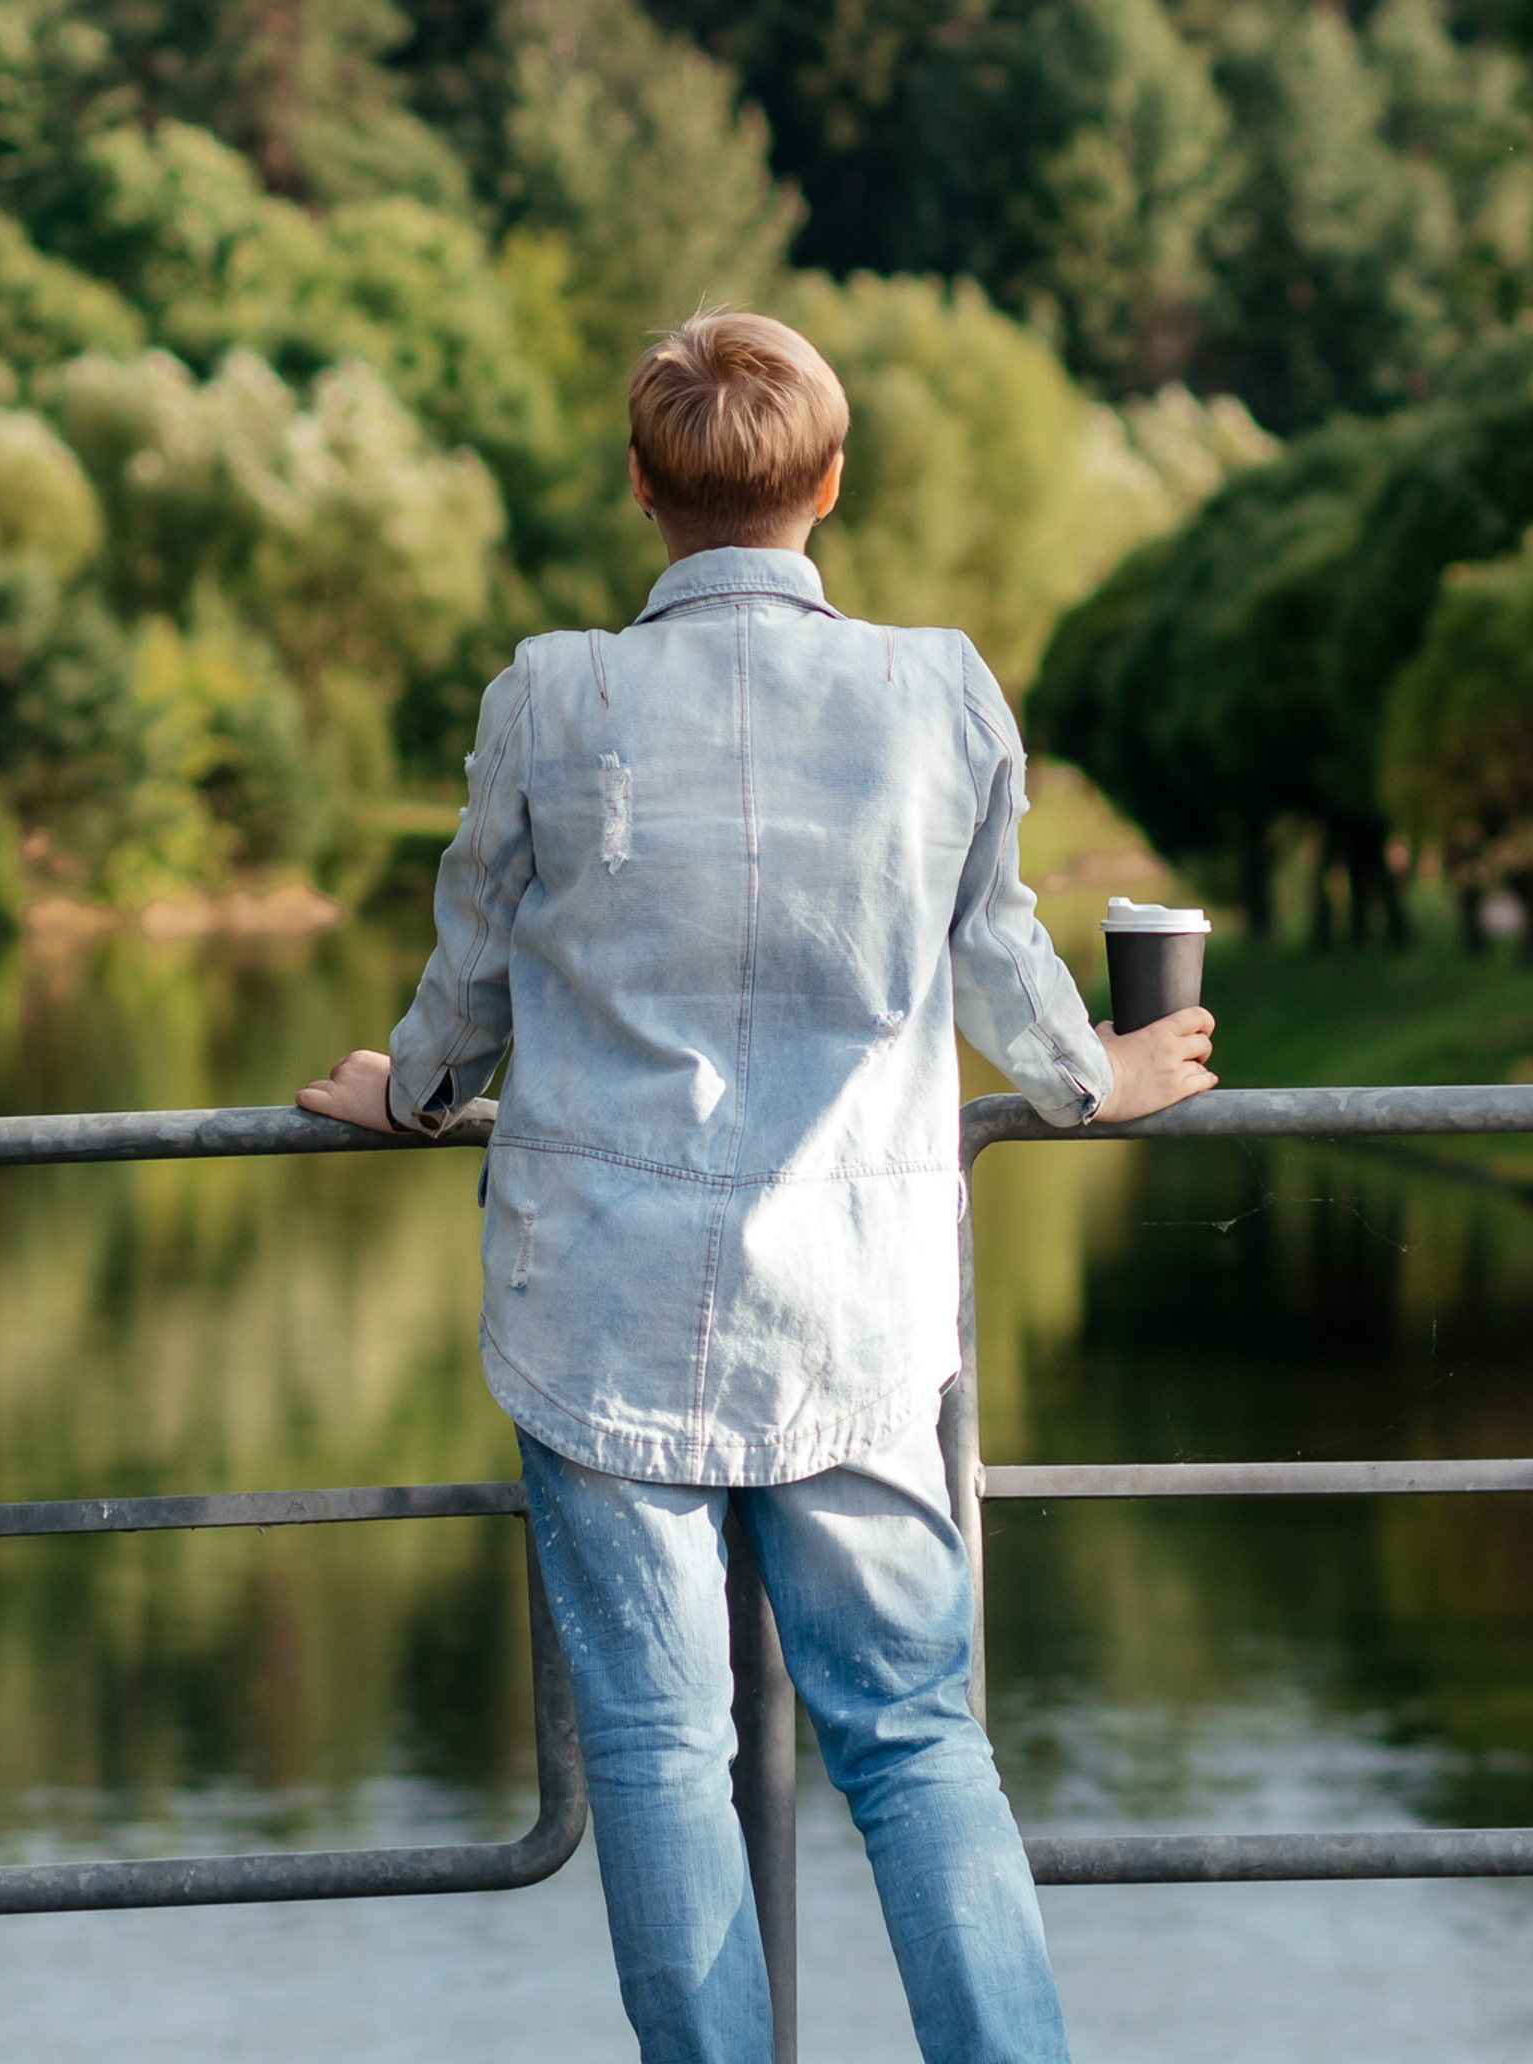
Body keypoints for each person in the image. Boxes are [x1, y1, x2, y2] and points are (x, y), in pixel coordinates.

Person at [297, 305, 1215, 2064]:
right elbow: (1000, 961)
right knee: (918, 1736)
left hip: (601, 1296)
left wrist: (406, 1095)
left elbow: (471, 977)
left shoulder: (548, 692)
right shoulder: (936, 686)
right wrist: (1108, 1079)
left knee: (655, 1745)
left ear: (640, 485)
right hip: (855, 1303)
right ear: (835, 485)